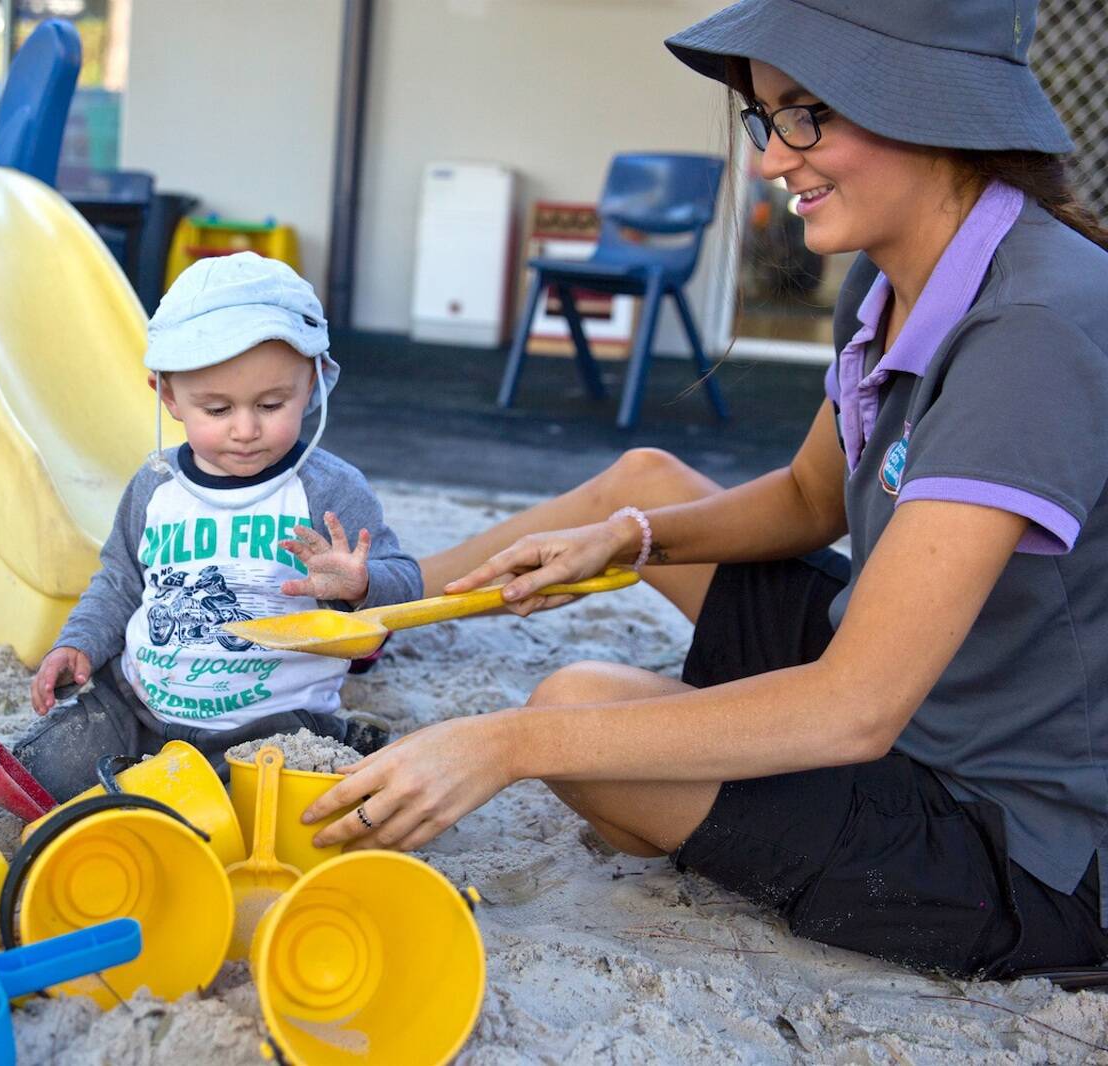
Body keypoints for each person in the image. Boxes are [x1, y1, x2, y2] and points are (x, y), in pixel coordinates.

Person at [302, 0, 1108, 978]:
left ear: (932, 105)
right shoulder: (896, 266)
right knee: (635, 497)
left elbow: (855, 709)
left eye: (808, 112)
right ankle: (387, 601)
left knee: (571, 716)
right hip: (924, 679)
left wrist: (506, 743)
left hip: (1021, 836)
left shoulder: (1033, 327)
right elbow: (816, 494)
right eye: (767, 119)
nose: (773, 161)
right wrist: (629, 540)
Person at [13, 252, 420, 799]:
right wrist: (80, 644)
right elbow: (119, 582)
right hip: (140, 707)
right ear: (169, 396)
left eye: (272, 403)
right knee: (37, 775)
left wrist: (361, 585)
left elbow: (407, 584)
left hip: (272, 723)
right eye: (218, 409)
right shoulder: (154, 486)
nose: (246, 429)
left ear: (316, 383)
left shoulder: (328, 489)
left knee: (286, 804)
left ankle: (347, 742)